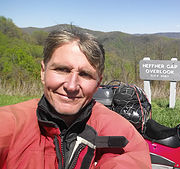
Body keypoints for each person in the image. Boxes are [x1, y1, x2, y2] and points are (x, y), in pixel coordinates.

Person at [0, 28, 151, 169]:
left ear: (98, 82)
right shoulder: (9, 122)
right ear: (43, 72)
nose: (71, 86)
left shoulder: (122, 133)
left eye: (85, 74)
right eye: (62, 70)